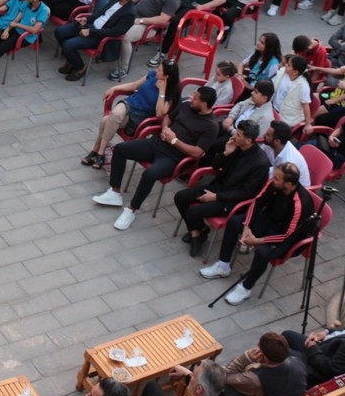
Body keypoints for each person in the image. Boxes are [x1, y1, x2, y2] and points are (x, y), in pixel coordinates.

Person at [93, 86, 219, 231]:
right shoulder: (186, 104)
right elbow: (168, 118)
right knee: (121, 149)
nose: (191, 99)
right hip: (157, 143)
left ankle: (131, 210)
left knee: (149, 174)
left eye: (195, 98)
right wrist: (165, 128)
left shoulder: (211, 126)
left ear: (204, 104)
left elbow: (197, 153)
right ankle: (115, 192)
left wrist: (174, 141)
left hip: (174, 158)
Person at [199, 162, 314, 306]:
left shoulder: (300, 204)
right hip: (269, 221)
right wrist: (246, 227)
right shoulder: (274, 184)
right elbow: (257, 203)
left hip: (288, 239)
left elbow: (288, 236)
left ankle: (245, 288)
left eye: (277, 178)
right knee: (234, 222)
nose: (272, 179)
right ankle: (223, 266)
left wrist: (257, 241)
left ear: (289, 184)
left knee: (262, 252)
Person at [176, 119, 270, 257]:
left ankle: (199, 234)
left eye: (238, 135)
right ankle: (198, 232)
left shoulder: (260, 163)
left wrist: (216, 197)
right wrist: (226, 153)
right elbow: (215, 166)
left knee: (192, 212)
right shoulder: (236, 146)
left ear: (248, 140)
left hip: (232, 200)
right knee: (180, 197)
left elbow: (246, 192)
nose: (234, 136)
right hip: (219, 187)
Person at [82, 58, 181, 170]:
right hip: (129, 104)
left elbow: (159, 113)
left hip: (139, 116)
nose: (156, 71)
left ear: (166, 76)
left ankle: (95, 151)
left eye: (160, 70)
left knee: (106, 120)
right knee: (116, 114)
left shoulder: (170, 92)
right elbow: (134, 85)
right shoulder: (152, 75)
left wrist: (161, 91)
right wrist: (114, 88)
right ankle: (100, 153)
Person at [54, 0, 136, 82]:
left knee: (68, 45)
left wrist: (90, 31)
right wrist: (86, 19)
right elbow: (100, 13)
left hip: (99, 36)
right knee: (59, 32)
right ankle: (72, 61)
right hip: (91, 25)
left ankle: (80, 68)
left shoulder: (130, 13)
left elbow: (115, 32)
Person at [220, 332, 307, 396]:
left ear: (266, 358)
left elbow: (225, 376)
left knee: (228, 387)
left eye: (259, 348)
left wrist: (246, 358)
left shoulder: (255, 379)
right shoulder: (297, 362)